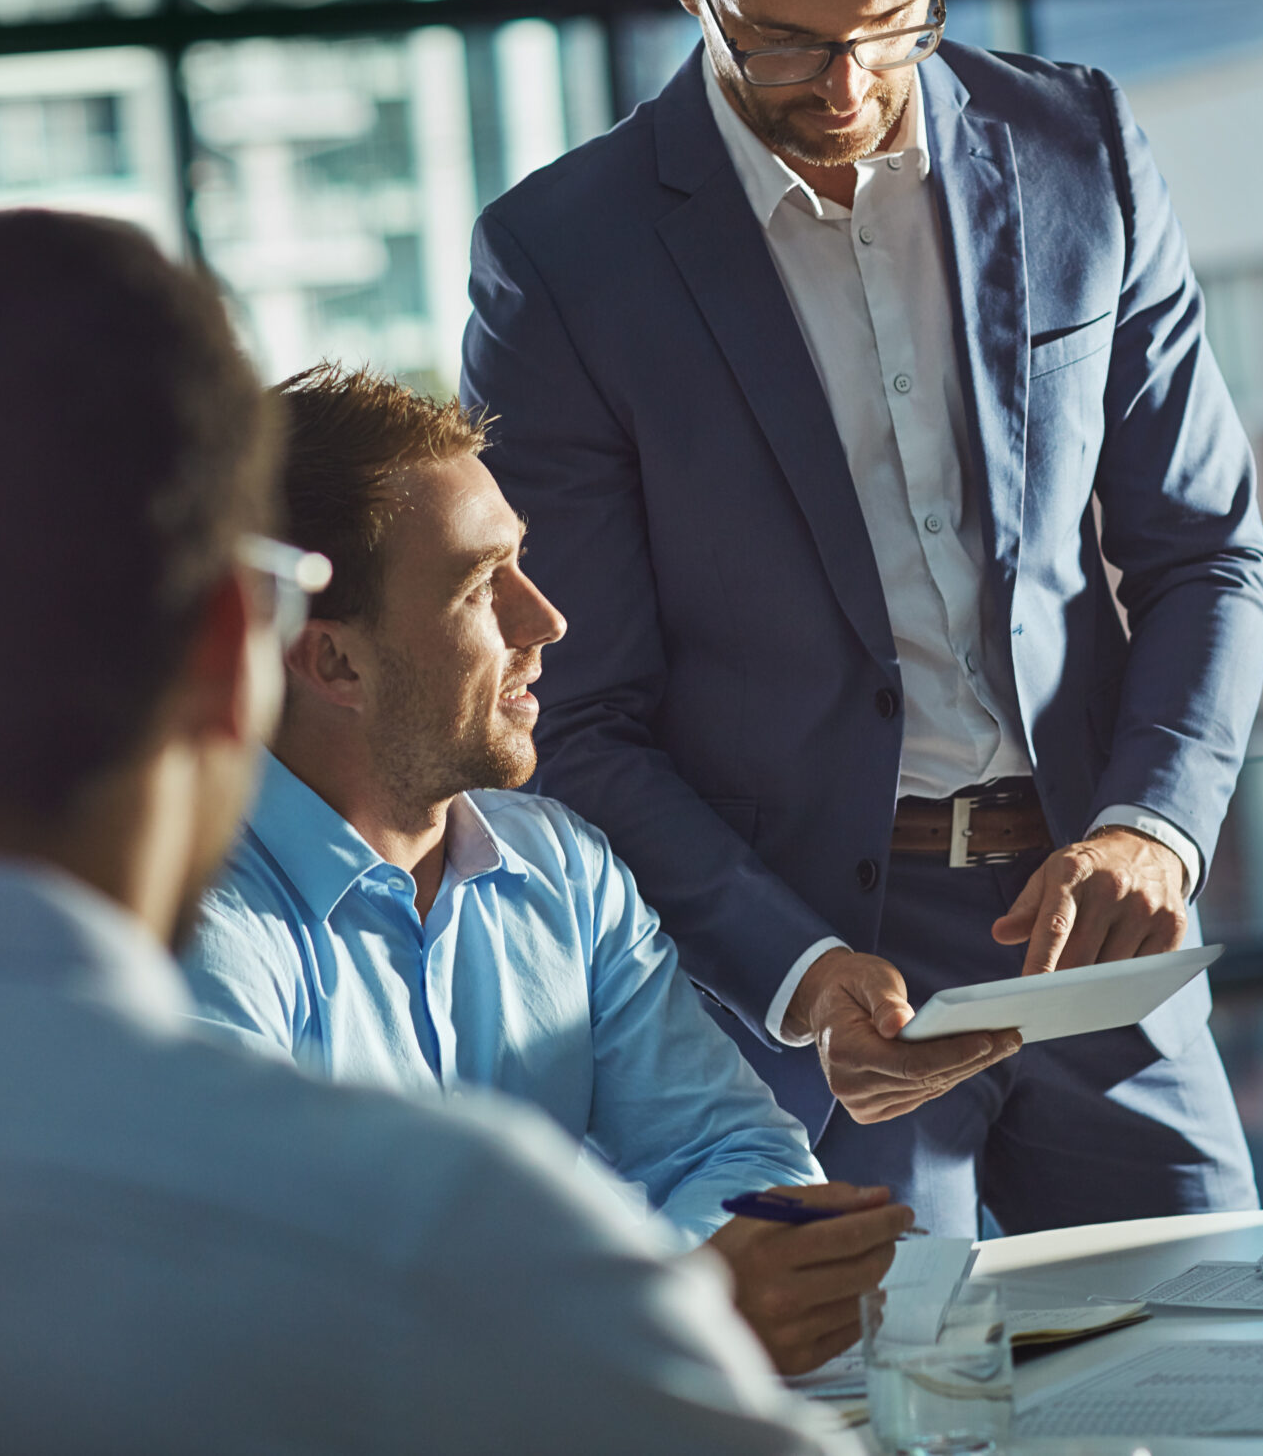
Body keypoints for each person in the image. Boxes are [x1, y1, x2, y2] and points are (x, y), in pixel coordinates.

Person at [0, 212, 842, 1454]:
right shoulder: (442, 1249)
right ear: (249, 648)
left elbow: (729, 1144)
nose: (545, 625)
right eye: (486, 589)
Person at [462, 0, 1263, 1237]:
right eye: (784, 41)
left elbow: (1210, 555)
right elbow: (572, 713)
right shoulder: (563, 263)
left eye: (893, 24)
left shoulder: (1076, 149)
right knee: (891, 1397)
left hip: (1088, 926)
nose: (848, 86)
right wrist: (788, 968)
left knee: (1224, 1350)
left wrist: (1155, 824)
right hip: (812, 976)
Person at [183, 364, 911, 1375]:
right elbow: (278, 1304)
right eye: (482, 586)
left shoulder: (563, 869)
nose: (545, 623)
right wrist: (679, 1307)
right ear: (335, 663)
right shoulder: (198, 928)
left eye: (521, 566)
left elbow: (743, 1163)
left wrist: (673, 1307)